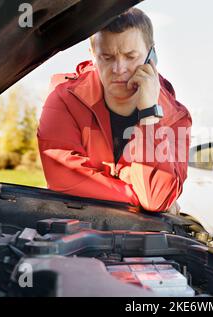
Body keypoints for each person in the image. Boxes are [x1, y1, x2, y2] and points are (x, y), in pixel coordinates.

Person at [37, 8, 192, 213]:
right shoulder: (64, 100)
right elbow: (65, 182)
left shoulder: (176, 117)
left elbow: (155, 197)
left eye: (130, 56)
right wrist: (136, 197)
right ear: (93, 55)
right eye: (107, 57)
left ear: (151, 56)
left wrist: (149, 114)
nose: (119, 69)